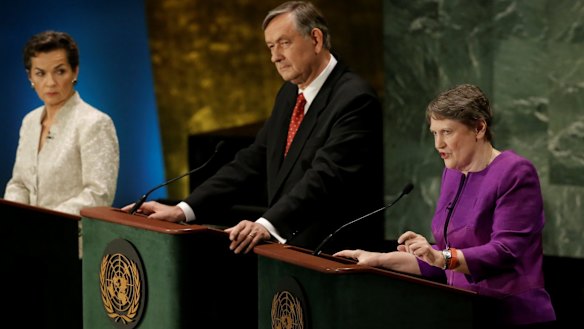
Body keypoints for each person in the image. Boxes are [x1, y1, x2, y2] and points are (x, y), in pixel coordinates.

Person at [124, 1, 384, 255]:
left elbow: (324, 178)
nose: (274, 57)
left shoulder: (354, 99)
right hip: (290, 256)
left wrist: (266, 225)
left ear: (316, 39)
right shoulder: (288, 95)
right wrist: (183, 209)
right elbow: (253, 161)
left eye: (284, 43)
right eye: (270, 47)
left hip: (336, 257)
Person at [334, 84, 556, 328]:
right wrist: (378, 259)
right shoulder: (452, 174)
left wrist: (441, 257)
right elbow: (442, 257)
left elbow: (504, 251)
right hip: (461, 313)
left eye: (447, 132)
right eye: (434, 133)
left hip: (510, 315)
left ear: (479, 128)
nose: (438, 144)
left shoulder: (515, 172)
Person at [3, 30, 119, 216]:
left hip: (71, 237)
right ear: (30, 77)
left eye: (60, 71)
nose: (50, 82)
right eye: (40, 73)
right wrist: (14, 220)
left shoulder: (95, 123)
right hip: (26, 237)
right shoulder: (29, 121)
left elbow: (99, 195)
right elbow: (20, 183)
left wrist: (46, 223)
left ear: (75, 71)